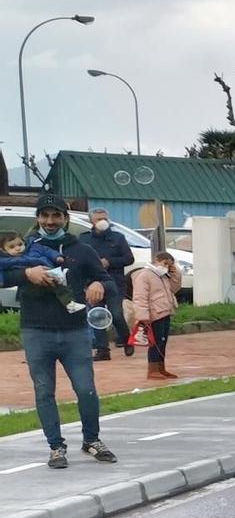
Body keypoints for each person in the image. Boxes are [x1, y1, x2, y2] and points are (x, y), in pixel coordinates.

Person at [1, 191, 119, 468]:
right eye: (45, 215)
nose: (51, 221)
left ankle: (92, 440)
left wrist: (98, 284)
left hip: (75, 331)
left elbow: (109, 281)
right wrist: (26, 274)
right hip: (36, 330)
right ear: (38, 218)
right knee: (44, 391)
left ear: (66, 219)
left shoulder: (82, 250)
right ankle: (56, 447)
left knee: (86, 388)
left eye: (56, 216)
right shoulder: (26, 248)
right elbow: (4, 274)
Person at [82, 207, 134, 362]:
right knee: (97, 316)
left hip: (114, 282)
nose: (102, 221)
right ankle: (102, 350)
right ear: (92, 220)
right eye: (98, 219)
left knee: (116, 314)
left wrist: (109, 262)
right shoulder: (84, 239)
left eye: (104, 218)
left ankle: (126, 340)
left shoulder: (117, 238)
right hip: (93, 283)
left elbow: (128, 258)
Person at [129, 248, 182, 381]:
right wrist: (142, 315)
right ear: (156, 261)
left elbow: (173, 289)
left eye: (169, 264)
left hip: (165, 311)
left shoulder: (163, 276)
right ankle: (152, 369)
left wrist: (175, 274)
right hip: (153, 314)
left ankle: (161, 367)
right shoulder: (144, 275)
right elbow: (140, 297)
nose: (166, 267)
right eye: (165, 263)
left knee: (163, 341)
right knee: (155, 342)